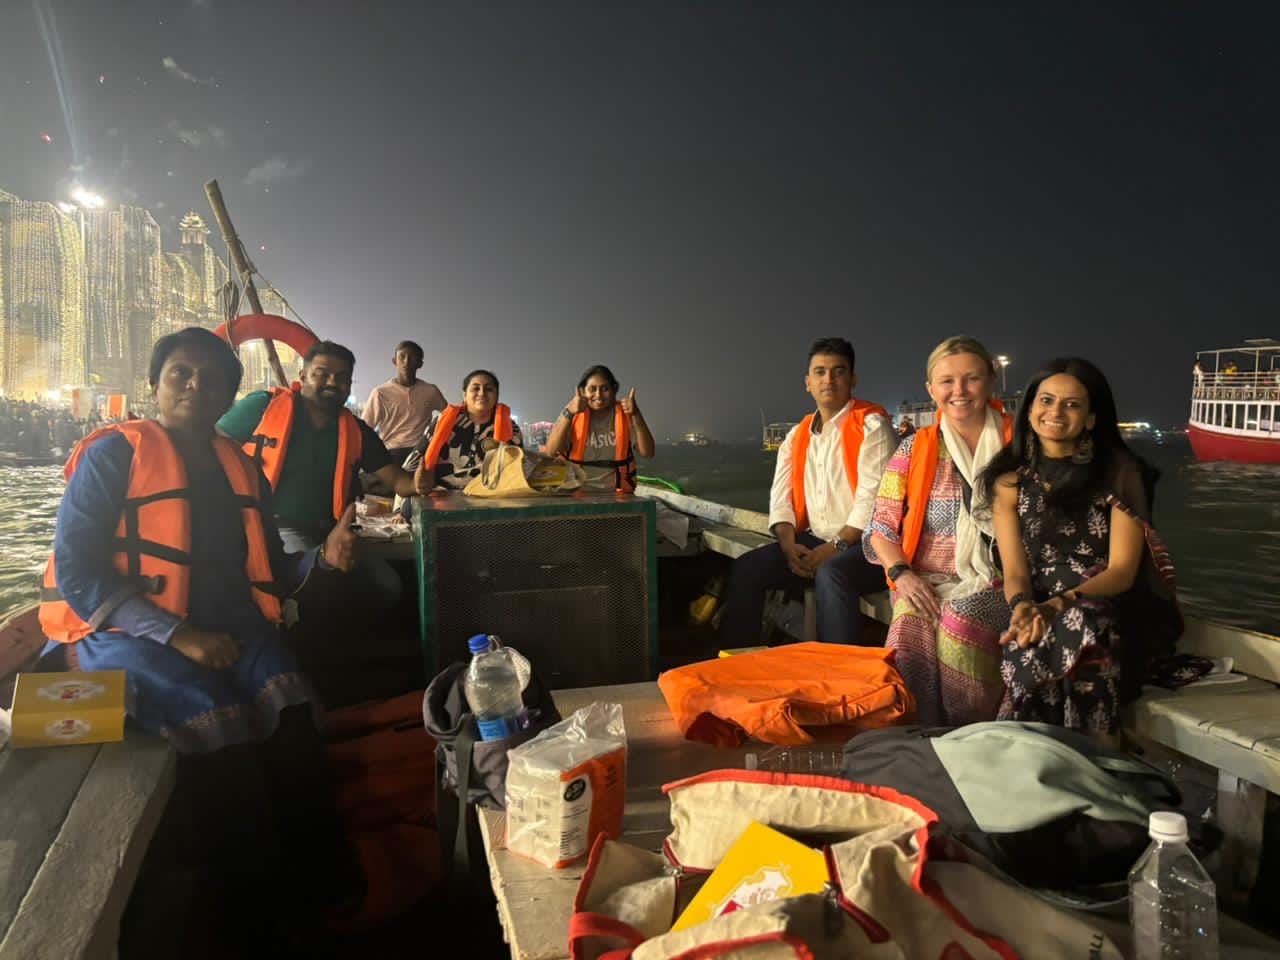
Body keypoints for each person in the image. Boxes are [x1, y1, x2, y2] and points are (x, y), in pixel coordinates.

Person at [37, 327, 363, 941]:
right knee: (219, 725)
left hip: (226, 626)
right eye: (180, 373)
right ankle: (258, 909)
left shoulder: (242, 469)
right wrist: (176, 634)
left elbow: (273, 568)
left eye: (211, 378)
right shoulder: (113, 455)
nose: (195, 385)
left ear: (227, 397)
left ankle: (322, 870)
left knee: (294, 706)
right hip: (122, 631)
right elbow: (78, 574)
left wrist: (323, 557)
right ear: (156, 385)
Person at [980, 357, 1180, 738]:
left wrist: (1058, 605)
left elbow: (1121, 571)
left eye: (1071, 405)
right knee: (1030, 631)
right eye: (1046, 400)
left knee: (1079, 624)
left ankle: (1095, 753)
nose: (1055, 412)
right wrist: (1023, 607)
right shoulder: (1010, 483)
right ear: (1030, 409)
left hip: (1109, 603)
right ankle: (1046, 752)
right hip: (1041, 602)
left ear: (1090, 419)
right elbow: (1016, 571)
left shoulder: (1121, 474)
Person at [864, 335, 1013, 725]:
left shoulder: (1019, 445)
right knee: (909, 620)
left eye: (971, 379)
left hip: (1003, 580)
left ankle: (973, 733)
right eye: (947, 381)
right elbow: (881, 526)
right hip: (925, 578)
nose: (958, 391)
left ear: (990, 380)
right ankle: (922, 734)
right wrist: (902, 574)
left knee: (960, 623)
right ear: (931, 390)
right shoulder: (914, 449)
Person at [217, 340, 427, 608]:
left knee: (389, 586)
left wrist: (419, 482)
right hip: (276, 527)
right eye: (322, 374)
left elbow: (398, 481)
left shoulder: (357, 430)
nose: (332, 382)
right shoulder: (262, 406)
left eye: (342, 378)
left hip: (333, 528)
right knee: (315, 586)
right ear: (303, 375)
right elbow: (213, 445)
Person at [720, 337, 896, 647]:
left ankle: (837, 669)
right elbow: (781, 496)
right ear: (808, 383)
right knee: (748, 568)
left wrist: (833, 548)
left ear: (852, 380)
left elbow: (872, 502)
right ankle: (737, 658)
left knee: (832, 573)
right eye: (820, 372)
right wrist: (789, 545)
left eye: (839, 371)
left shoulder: (872, 427)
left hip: (870, 546)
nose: (829, 380)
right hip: (816, 540)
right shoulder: (797, 435)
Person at [405, 369, 524, 490]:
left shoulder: (511, 428)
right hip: (442, 492)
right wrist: (419, 482)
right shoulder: (442, 422)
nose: (482, 393)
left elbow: (519, 469)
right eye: (475, 388)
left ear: (497, 396)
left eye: (489, 389)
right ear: (465, 395)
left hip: (490, 493)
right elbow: (411, 465)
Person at [544, 364, 656, 492]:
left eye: (605, 389)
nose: (598, 395)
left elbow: (648, 452)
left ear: (614, 390)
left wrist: (636, 414)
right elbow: (551, 452)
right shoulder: (571, 414)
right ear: (583, 391)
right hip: (575, 492)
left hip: (617, 494)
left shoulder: (627, 415)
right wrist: (569, 412)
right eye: (592, 389)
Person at [361, 339, 448, 465]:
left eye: (412, 358)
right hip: (391, 452)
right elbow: (365, 428)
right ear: (394, 361)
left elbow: (448, 415)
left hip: (422, 451)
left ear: (420, 364)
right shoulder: (380, 393)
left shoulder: (430, 391)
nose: (406, 362)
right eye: (402, 357)